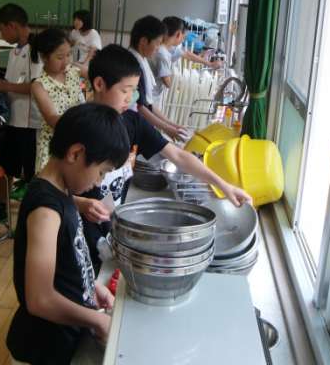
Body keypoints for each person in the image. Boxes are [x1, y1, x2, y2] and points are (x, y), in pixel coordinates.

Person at [73, 44, 252, 272]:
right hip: (77, 231)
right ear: (99, 84)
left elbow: (178, 156)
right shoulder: (78, 126)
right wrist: (81, 203)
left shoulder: (132, 122)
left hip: (110, 226)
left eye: (134, 91)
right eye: (125, 90)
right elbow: (50, 186)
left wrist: (224, 186)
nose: (130, 98)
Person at [6, 103, 130, 365]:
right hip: (43, 347)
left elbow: (69, 260)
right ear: (75, 153)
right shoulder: (46, 211)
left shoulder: (64, 193)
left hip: (64, 335)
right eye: (101, 172)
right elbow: (39, 299)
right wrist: (97, 320)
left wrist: (91, 287)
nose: (99, 181)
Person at [0, 4, 42, 224]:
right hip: (13, 119)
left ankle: (32, 219)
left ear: (13, 26)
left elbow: (36, 87)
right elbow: (13, 82)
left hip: (30, 123)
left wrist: (4, 86)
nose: (2, 35)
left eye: (2, 29)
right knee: (5, 165)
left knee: (32, 174)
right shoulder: (15, 50)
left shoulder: (36, 50)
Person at [31, 28, 88, 173]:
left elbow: (97, 76)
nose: (66, 61)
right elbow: (52, 118)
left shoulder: (74, 70)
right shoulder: (39, 85)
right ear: (44, 57)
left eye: (69, 54)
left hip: (77, 141)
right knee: (53, 183)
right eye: (60, 57)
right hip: (53, 147)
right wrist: (84, 122)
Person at [128, 15, 185, 141]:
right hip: (133, 122)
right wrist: (168, 128)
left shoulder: (142, 60)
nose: (158, 48)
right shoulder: (134, 65)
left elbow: (148, 104)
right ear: (144, 41)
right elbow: (141, 107)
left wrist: (171, 125)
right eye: (158, 43)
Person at [150, 16, 223, 103]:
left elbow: (186, 54)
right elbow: (167, 82)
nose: (183, 40)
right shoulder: (162, 54)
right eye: (183, 37)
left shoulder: (167, 47)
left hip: (155, 94)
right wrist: (191, 88)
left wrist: (209, 64)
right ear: (178, 34)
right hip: (152, 96)